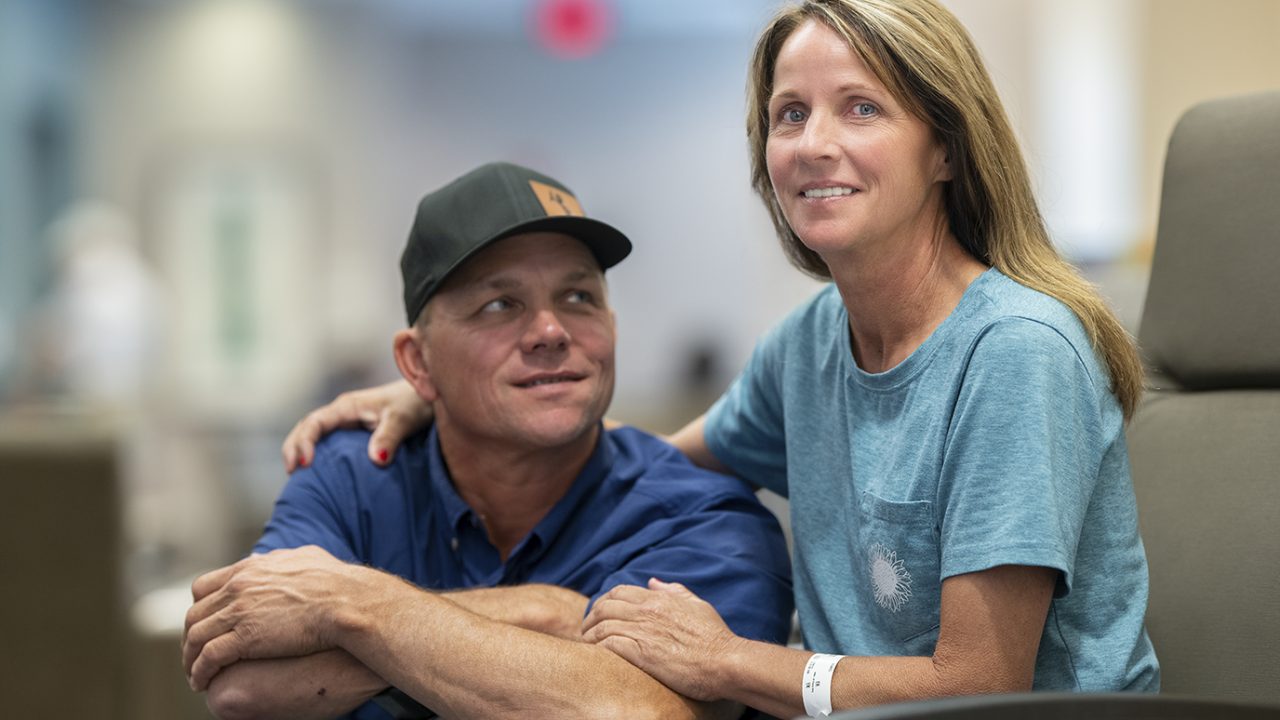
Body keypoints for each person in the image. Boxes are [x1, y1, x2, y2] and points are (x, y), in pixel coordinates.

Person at [279, 0, 1162, 716]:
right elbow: (637, 453)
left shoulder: (1015, 353)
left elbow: (975, 686)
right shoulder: (812, 343)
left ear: (945, 148)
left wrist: (729, 661)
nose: (815, 143)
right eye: (790, 113)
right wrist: (446, 401)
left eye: (861, 107)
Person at [181, 162, 793, 720]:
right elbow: (242, 686)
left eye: (579, 297)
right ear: (417, 364)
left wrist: (354, 606)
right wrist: (546, 613)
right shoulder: (351, 475)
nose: (550, 331)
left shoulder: (706, 518)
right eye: (500, 304)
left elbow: (639, 713)